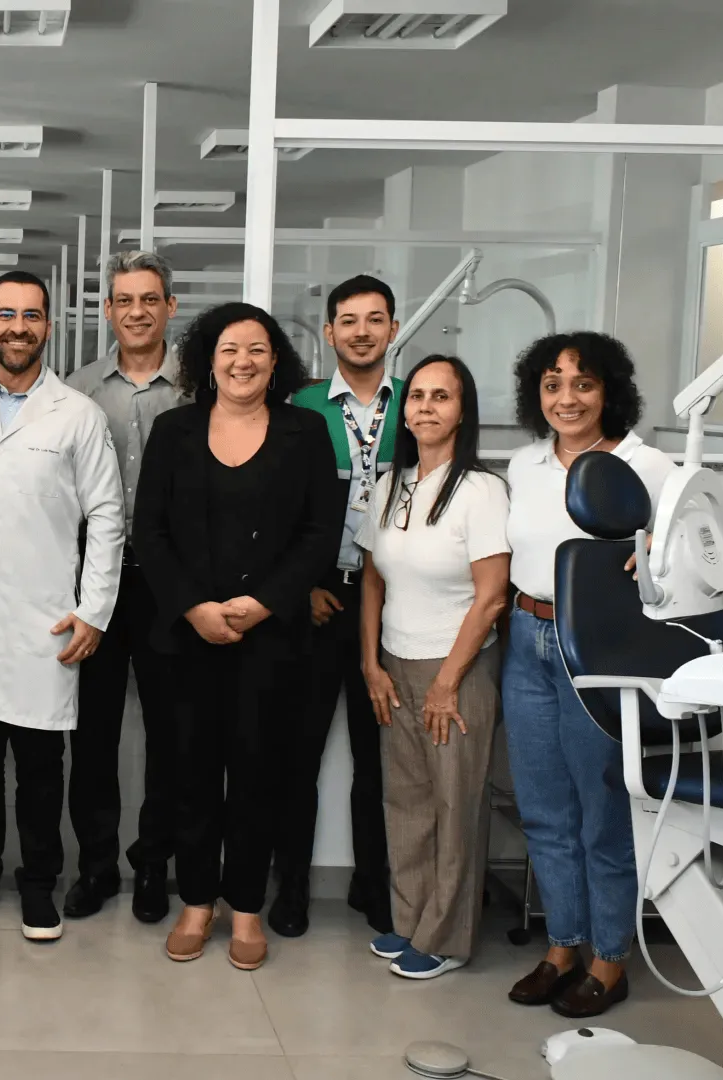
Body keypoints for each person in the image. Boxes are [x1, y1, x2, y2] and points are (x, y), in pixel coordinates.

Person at [133, 302, 342, 971]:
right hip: (188, 638)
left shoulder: (306, 431)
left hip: (272, 639)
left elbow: (320, 533)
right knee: (190, 773)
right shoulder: (173, 430)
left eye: (256, 349)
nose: (242, 362)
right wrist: (193, 606)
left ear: (275, 361)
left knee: (260, 774)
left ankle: (246, 906)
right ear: (208, 359)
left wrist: (263, 603)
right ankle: (197, 901)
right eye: (229, 349)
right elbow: (149, 531)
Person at [0, 271, 124, 941]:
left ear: (49, 327)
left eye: (32, 316)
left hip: (46, 620)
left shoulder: (78, 414)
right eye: (7, 315)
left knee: (42, 770)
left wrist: (94, 610)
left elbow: (107, 516)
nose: (19, 327)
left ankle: (40, 883)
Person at [503, 330, 675, 1019]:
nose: (567, 398)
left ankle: (610, 958)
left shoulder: (647, 466)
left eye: (583, 384)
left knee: (601, 812)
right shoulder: (524, 464)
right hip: (525, 637)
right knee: (544, 808)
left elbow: (703, 556)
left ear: (609, 391)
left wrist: (662, 546)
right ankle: (562, 947)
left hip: (599, 648)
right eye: (553, 384)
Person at [356, 355, 511, 981]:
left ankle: (447, 938)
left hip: (458, 669)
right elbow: (372, 580)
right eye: (416, 396)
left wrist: (448, 683)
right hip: (396, 663)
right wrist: (370, 663)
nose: (425, 407)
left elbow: (492, 596)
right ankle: (412, 919)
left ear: (463, 410)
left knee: (455, 804)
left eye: (440, 396)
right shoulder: (391, 484)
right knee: (408, 802)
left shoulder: (482, 491)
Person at [61, 250, 189, 923]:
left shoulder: (201, 388)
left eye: (150, 299)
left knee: (171, 734)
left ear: (170, 307)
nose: (137, 312)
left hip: (173, 585)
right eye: (124, 301)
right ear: (108, 311)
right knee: (93, 734)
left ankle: (153, 863)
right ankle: (96, 865)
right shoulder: (78, 391)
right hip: (95, 581)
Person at [278, 273, 402, 938]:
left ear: (393, 329)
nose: (361, 332)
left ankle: (374, 886)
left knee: (377, 758)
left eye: (374, 319)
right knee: (296, 756)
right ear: (329, 332)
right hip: (318, 601)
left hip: (393, 606)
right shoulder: (300, 406)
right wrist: (302, 584)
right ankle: (292, 887)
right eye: (348, 321)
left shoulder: (414, 404)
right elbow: (277, 508)